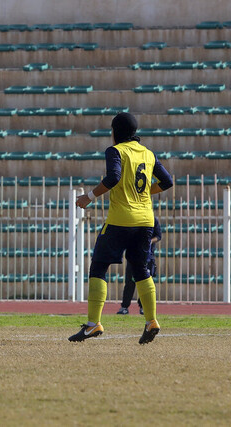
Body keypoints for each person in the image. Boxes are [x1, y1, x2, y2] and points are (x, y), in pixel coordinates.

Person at [68, 112, 173, 345]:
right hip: (146, 221)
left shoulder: (115, 151)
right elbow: (167, 182)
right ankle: (152, 321)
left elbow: (114, 176)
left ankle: (93, 324)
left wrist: (89, 196)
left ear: (116, 131)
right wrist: (144, 192)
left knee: (98, 266)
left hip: (120, 220)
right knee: (141, 270)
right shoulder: (148, 153)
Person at [117, 217, 161, 315]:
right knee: (129, 282)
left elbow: (158, 236)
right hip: (133, 256)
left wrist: (149, 241)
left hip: (147, 257)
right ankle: (124, 307)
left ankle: (143, 307)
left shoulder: (153, 220)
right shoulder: (134, 218)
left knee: (145, 282)